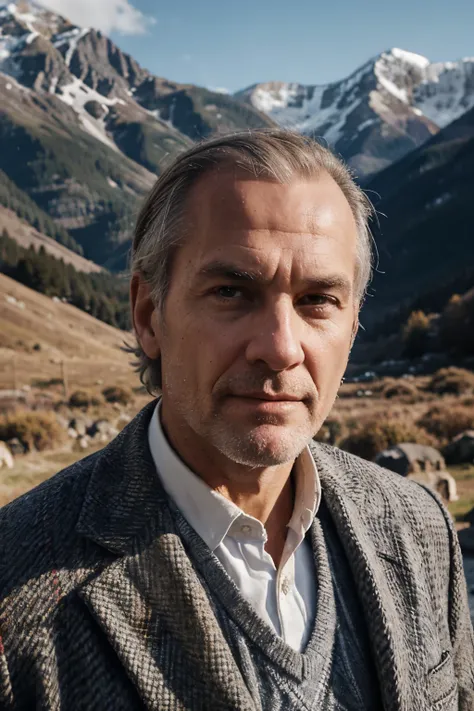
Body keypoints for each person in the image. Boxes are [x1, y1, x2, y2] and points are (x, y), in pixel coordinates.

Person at [0, 130, 472, 711]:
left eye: (318, 300)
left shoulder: (420, 527)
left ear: (353, 326)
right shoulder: (15, 585)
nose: (279, 347)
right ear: (149, 315)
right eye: (232, 292)